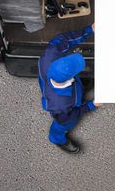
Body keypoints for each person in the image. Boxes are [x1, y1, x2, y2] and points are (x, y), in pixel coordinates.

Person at [38, 23, 100, 154]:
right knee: (64, 125)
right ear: (69, 78)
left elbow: (65, 38)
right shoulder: (60, 105)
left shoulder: (51, 54)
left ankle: (82, 87)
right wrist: (92, 105)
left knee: (80, 85)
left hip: (66, 86)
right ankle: (57, 139)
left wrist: (90, 29)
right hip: (65, 115)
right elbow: (73, 114)